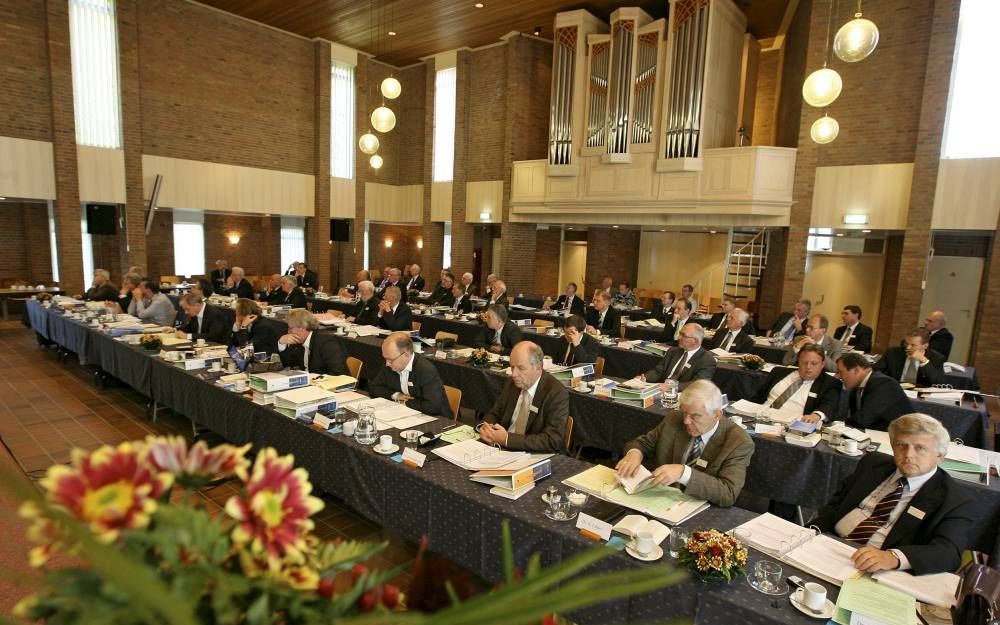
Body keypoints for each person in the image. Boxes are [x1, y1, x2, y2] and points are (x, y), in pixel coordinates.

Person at [811, 413, 974, 575]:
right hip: (829, 543)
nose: (909, 455)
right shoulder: (872, 463)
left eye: (920, 448)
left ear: (940, 455)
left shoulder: (955, 500)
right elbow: (837, 503)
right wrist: (813, 531)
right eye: (901, 445)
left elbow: (949, 553)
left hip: (881, 568)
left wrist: (894, 558)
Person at [616, 380, 753, 507]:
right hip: (660, 498)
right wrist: (634, 453)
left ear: (717, 415)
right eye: (684, 413)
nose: (686, 421)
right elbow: (642, 443)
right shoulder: (674, 418)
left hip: (700, 508)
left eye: (695, 416)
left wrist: (684, 473)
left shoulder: (738, 441)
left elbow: (728, 493)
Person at [478, 342, 568, 453]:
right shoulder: (511, 383)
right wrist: (486, 428)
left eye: (521, 368)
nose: (514, 374)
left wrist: (507, 439)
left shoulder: (556, 393)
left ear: (538, 367)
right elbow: (495, 413)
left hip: (535, 454)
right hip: (502, 449)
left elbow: (553, 440)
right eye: (512, 367)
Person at [754, 344, 842, 424]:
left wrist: (816, 415)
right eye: (804, 362)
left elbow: (829, 405)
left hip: (789, 423)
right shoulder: (778, 372)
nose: (808, 367)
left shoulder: (829, 383)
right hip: (759, 416)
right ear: (798, 361)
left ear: (822, 364)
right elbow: (758, 396)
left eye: (814, 363)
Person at [369, 332, 451, 418]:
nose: (387, 363)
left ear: (406, 355)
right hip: (407, 414)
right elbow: (374, 387)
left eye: (390, 359)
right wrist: (395, 395)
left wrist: (404, 403)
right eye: (385, 358)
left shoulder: (425, 370)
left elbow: (433, 406)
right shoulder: (391, 363)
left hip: (436, 418)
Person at [837, 352, 913, 431]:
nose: (839, 376)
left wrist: (838, 427)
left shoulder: (884, 384)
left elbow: (864, 418)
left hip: (902, 435)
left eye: (840, 372)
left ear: (856, 370)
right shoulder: (857, 386)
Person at [639, 323, 716, 391]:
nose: (678, 338)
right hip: (660, 389)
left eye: (683, 335)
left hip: (682, 394)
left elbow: (697, 384)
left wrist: (671, 387)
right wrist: (645, 378)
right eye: (680, 334)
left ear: (694, 341)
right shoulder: (672, 351)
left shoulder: (707, 360)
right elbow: (658, 371)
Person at [277, 310, 348, 375]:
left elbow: (337, 373)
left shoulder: (327, 343)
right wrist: (281, 343)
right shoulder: (298, 341)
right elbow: (289, 364)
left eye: (290, 328)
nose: (288, 332)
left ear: (302, 328)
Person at [875, 329, 946, 387]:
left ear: (925, 346)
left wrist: (924, 361)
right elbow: (875, 371)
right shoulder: (893, 352)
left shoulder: (936, 358)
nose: (908, 347)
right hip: (895, 388)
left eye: (913, 345)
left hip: (919, 393)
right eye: (906, 343)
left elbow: (938, 383)